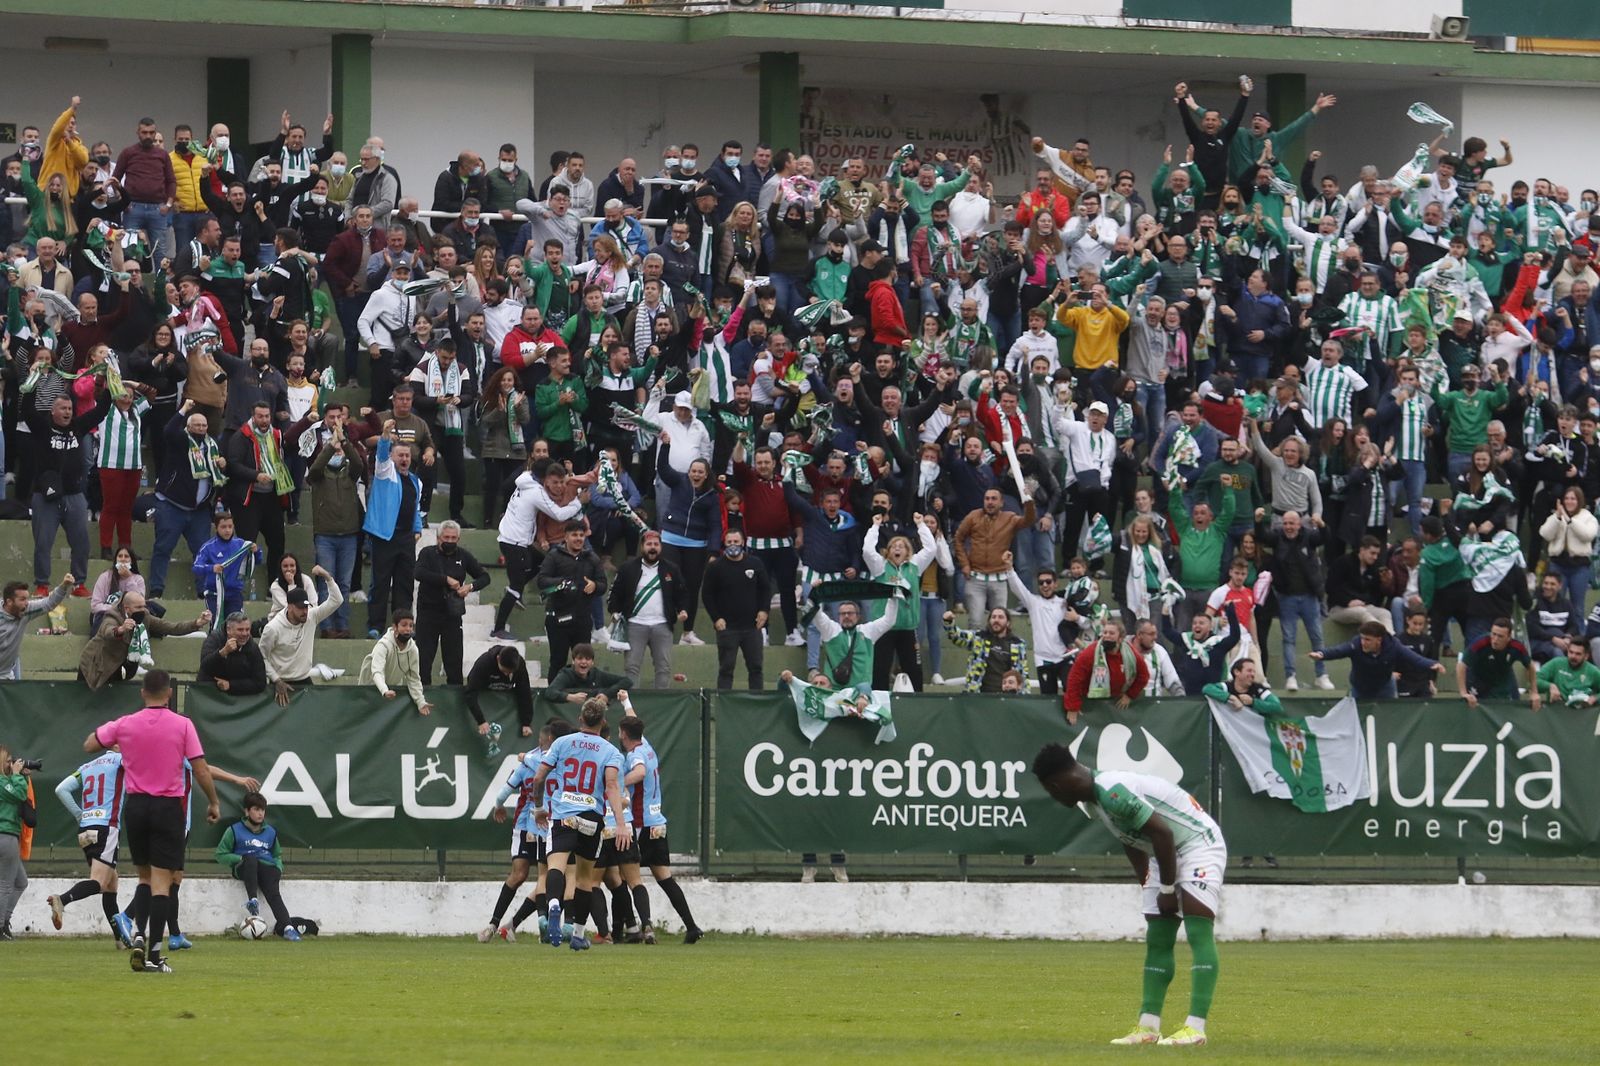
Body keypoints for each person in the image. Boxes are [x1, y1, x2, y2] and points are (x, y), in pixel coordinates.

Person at [1033, 743, 1223, 1048]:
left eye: (1050, 791)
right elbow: (1130, 838)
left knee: (1198, 928)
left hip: (1197, 843)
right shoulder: (1095, 801)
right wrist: (1147, 882)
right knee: (1158, 937)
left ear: (1055, 785)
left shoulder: (1112, 792)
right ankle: (1148, 1027)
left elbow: (1163, 833)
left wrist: (1166, 889)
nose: (1055, 798)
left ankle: (1196, 1028)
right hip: (1163, 854)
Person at [83, 670, 221, 973]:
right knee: (162, 883)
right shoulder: (183, 725)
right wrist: (212, 801)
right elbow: (200, 769)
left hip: (137, 807)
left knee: (144, 878)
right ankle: (154, 955)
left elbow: (90, 744)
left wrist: (113, 732)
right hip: (167, 808)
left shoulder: (126, 723)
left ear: (142, 693)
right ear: (169, 694)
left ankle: (138, 935)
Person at [525, 697, 632, 951]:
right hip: (591, 819)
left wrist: (539, 809)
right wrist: (620, 823)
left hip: (563, 815)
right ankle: (578, 934)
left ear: (580, 719)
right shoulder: (611, 752)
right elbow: (612, 786)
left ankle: (553, 906)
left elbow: (538, 778)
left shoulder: (561, 743)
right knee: (585, 879)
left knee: (556, 866)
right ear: (603, 722)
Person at [483, 718, 570, 942]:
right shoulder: (565, 762)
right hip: (547, 826)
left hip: (530, 824)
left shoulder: (529, 760)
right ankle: (506, 923)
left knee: (527, 876)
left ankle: (505, 925)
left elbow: (504, 792)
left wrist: (498, 806)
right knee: (549, 876)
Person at [618, 711, 701, 944]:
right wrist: (625, 702)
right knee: (665, 878)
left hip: (641, 824)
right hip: (658, 824)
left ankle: (637, 928)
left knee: (624, 877)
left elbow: (640, 771)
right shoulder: (647, 746)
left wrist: (618, 782)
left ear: (624, 734)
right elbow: (634, 721)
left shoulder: (635, 754)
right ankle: (692, 926)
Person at [49, 750, 137, 945]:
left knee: (111, 884)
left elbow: (61, 789)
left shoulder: (87, 766)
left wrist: (80, 815)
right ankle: (62, 900)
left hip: (85, 829)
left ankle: (120, 940)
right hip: (106, 826)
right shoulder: (119, 760)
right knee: (99, 882)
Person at [213, 792, 312, 940]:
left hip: (266, 869)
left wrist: (278, 867)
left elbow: (277, 855)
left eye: (263, 810)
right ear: (247, 811)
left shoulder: (271, 832)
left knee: (273, 891)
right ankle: (253, 900)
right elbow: (220, 855)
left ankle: (288, 928)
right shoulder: (234, 830)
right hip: (244, 867)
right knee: (251, 859)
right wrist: (241, 858)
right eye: (256, 809)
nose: (260, 813)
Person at [363, 422, 424, 639]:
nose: (404, 459)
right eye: (400, 455)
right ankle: (376, 625)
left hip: (406, 538)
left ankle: (404, 626)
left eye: (407, 455)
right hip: (384, 536)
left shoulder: (416, 481)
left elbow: (416, 508)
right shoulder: (385, 471)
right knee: (380, 583)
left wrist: (417, 530)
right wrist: (386, 435)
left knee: (405, 585)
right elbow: (381, 454)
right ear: (393, 456)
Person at [79, 593, 211, 692]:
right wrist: (121, 629)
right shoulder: (112, 616)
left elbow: (171, 627)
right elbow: (107, 631)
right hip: (95, 664)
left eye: (144, 606)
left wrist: (196, 623)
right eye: (138, 607)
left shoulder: (145, 616)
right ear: (127, 609)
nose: (143, 609)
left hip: (119, 665)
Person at [413, 520, 491, 685]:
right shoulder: (428, 553)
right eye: (446, 537)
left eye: (453, 538)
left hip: (452, 615)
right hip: (428, 612)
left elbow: (485, 577)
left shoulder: (463, 556)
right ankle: (421, 696)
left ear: (458, 539)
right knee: (423, 661)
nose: (449, 541)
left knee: (454, 662)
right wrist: (445, 580)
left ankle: (454, 698)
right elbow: (418, 572)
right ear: (438, 538)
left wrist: (470, 587)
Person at [608, 531, 688, 689]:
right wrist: (614, 611)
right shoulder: (627, 568)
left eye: (656, 545)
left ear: (661, 547)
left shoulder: (671, 569)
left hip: (663, 625)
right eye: (649, 544)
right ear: (642, 547)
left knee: (663, 668)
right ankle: (631, 707)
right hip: (634, 625)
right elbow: (615, 593)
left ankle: (661, 705)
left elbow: (682, 593)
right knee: (631, 667)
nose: (653, 548)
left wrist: (683, 609)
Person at [700, 528, 771, 691]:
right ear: (724, 544)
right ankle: (724, 705)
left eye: (736, 542)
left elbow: (765, 589)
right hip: (727, 628)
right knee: (726, 670)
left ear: (743, 543)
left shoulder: (755, 563)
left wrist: (764, 610)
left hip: (752, 627)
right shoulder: (715, 567)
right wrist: (716, 618)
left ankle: (756, 703)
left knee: (756, 668)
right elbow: (707, 595)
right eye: (729, 542)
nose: (733, 545)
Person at [537, 519, 608, 677]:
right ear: (566, 537)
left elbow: (603, 584)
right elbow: (541, 581)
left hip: (582, 620)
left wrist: (595, 586)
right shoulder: (554, 556)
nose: (578, 538)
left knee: (583, 662)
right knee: (557, 661)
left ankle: (582, 695)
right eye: (574, 535)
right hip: (558, 619)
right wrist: (562, 583)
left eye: (581, 535)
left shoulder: (592, 558)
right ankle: (554, 696)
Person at [259, 575, 345, 702]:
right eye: (300, 608)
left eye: (306, 607)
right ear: (289, 607)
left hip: (304, 679)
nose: (305, 611)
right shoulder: (273, 628)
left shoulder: (311, 616)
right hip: (280, 682)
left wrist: (328, 578)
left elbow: (336, 600)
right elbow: (262, 656)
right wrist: (276, 680)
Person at [1313, 620, 1444, 700]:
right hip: (1360, 689)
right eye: (1362, 638)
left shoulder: (1394, 645)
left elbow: (1413, 658)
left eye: (1368, 639)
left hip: (1385, 687)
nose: (1363, 642)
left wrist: (1432, 664)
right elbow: (1338, 651)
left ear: (1379, 640)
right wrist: (1321, 654)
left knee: (1389, 717)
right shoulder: (1356, 644)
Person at [1062, 619, 1150, 723]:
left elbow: (1144, 675)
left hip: (1115, 704)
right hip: (1089, 702)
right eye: (1105, 632)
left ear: (1120, 638)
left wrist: (1130, 695)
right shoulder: (1090, 652)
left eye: (1111, 633)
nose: (1107, 636)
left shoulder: (1130, 654)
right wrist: (1072, 707)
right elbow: (1075, 678)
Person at [1456, 617, 1539, 710]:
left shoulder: (1517, 647)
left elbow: (1530, 666)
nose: (1495, 640)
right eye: (1493, 634)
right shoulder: (1481, 642)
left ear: (1508, 637)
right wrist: (1463, 693)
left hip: (1502, 679)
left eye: (1500, 636)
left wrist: (1534, 692)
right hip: (1478, 679)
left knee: (1513, 707)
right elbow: (1461, 665)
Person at [360, 610, 432, 717]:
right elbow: (377, 671)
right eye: (404, 625)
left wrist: (420, 702)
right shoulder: (383, 645)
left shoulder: (413, 650)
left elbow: (413, 679)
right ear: (394, 627)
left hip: (391, 694)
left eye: (411, 626)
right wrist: (384, 690)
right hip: (370, 692)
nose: (408, 629)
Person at [192, 511, 261, 620]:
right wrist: (212, 568)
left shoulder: (241, 545)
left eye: (230, 526)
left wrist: (256, 551)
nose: (227, 530)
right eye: (223, 527)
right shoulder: (208, 547)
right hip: (214, 593)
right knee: (215, 624)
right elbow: (196, 567)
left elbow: (257, 561)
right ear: (216, 528)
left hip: (235, 593)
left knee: (235, 623)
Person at [0, 577, 73, 680]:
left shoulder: (26, 610)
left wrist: (64, 585)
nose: (27, 603)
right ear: (9, 602)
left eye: (27, 599)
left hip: (7, 674)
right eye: (22, 599)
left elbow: (49, 603)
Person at [944, 606, 1029, 693]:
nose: (996, 620)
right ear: (989, 621)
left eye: (1001, 617)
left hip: (1007, 697)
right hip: (979, 696)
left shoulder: (1017, 644)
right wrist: (949, 622)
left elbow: (1023, 674)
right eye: (993, 617)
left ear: (1008, 622)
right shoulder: (978, 637)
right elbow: (957, 636)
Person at [464, 645, 534, 744]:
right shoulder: (484, 663)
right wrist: (480, 721)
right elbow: (470, 692)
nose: (506, 674)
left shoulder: (520, 664)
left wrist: (526, 723)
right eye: (504, 670)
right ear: (498, 659)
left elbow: (524, 692)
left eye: (510, 672)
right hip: (485, 700)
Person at [0, 747, 33, 942]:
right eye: (7, 761)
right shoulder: (4, 782)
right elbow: (20, 794)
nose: (11, 764)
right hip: (5, 835)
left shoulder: (8, 781)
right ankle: (0, 926)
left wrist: (22, 777)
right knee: (5, 884)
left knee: (21, 882)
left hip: (7, 836)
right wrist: (17, 776)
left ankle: (5, 921)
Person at [198, 611, 268, 696]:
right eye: (240, 630)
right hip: (210, 694)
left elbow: (260, 683)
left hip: (239, 700)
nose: (245, 634)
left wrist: (231, 685)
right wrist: (222, 653)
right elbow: (205, 666)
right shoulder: (214, 639)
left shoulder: (252, 647)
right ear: (228, 630)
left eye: (247, 629)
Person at [544, 644, 628, 707]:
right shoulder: (566, 674)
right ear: (573, 661)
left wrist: (606, 695)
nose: (584, 662)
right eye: (580, 658)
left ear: (592, 662)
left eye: (587, 659)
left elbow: (626, 681)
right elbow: (550, 692)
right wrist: (570, 697)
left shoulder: (597, 674)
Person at [1537, 641, 1600, 707]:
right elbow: (1534, 680)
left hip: (1581, 710)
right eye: (1571, 652)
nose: (1573, 656)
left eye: (1578, 654)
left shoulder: (1593, 671)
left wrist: (1595, 698)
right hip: (1556, 708)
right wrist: (1550, 686)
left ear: (1586, 656)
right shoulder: (1556, 663)